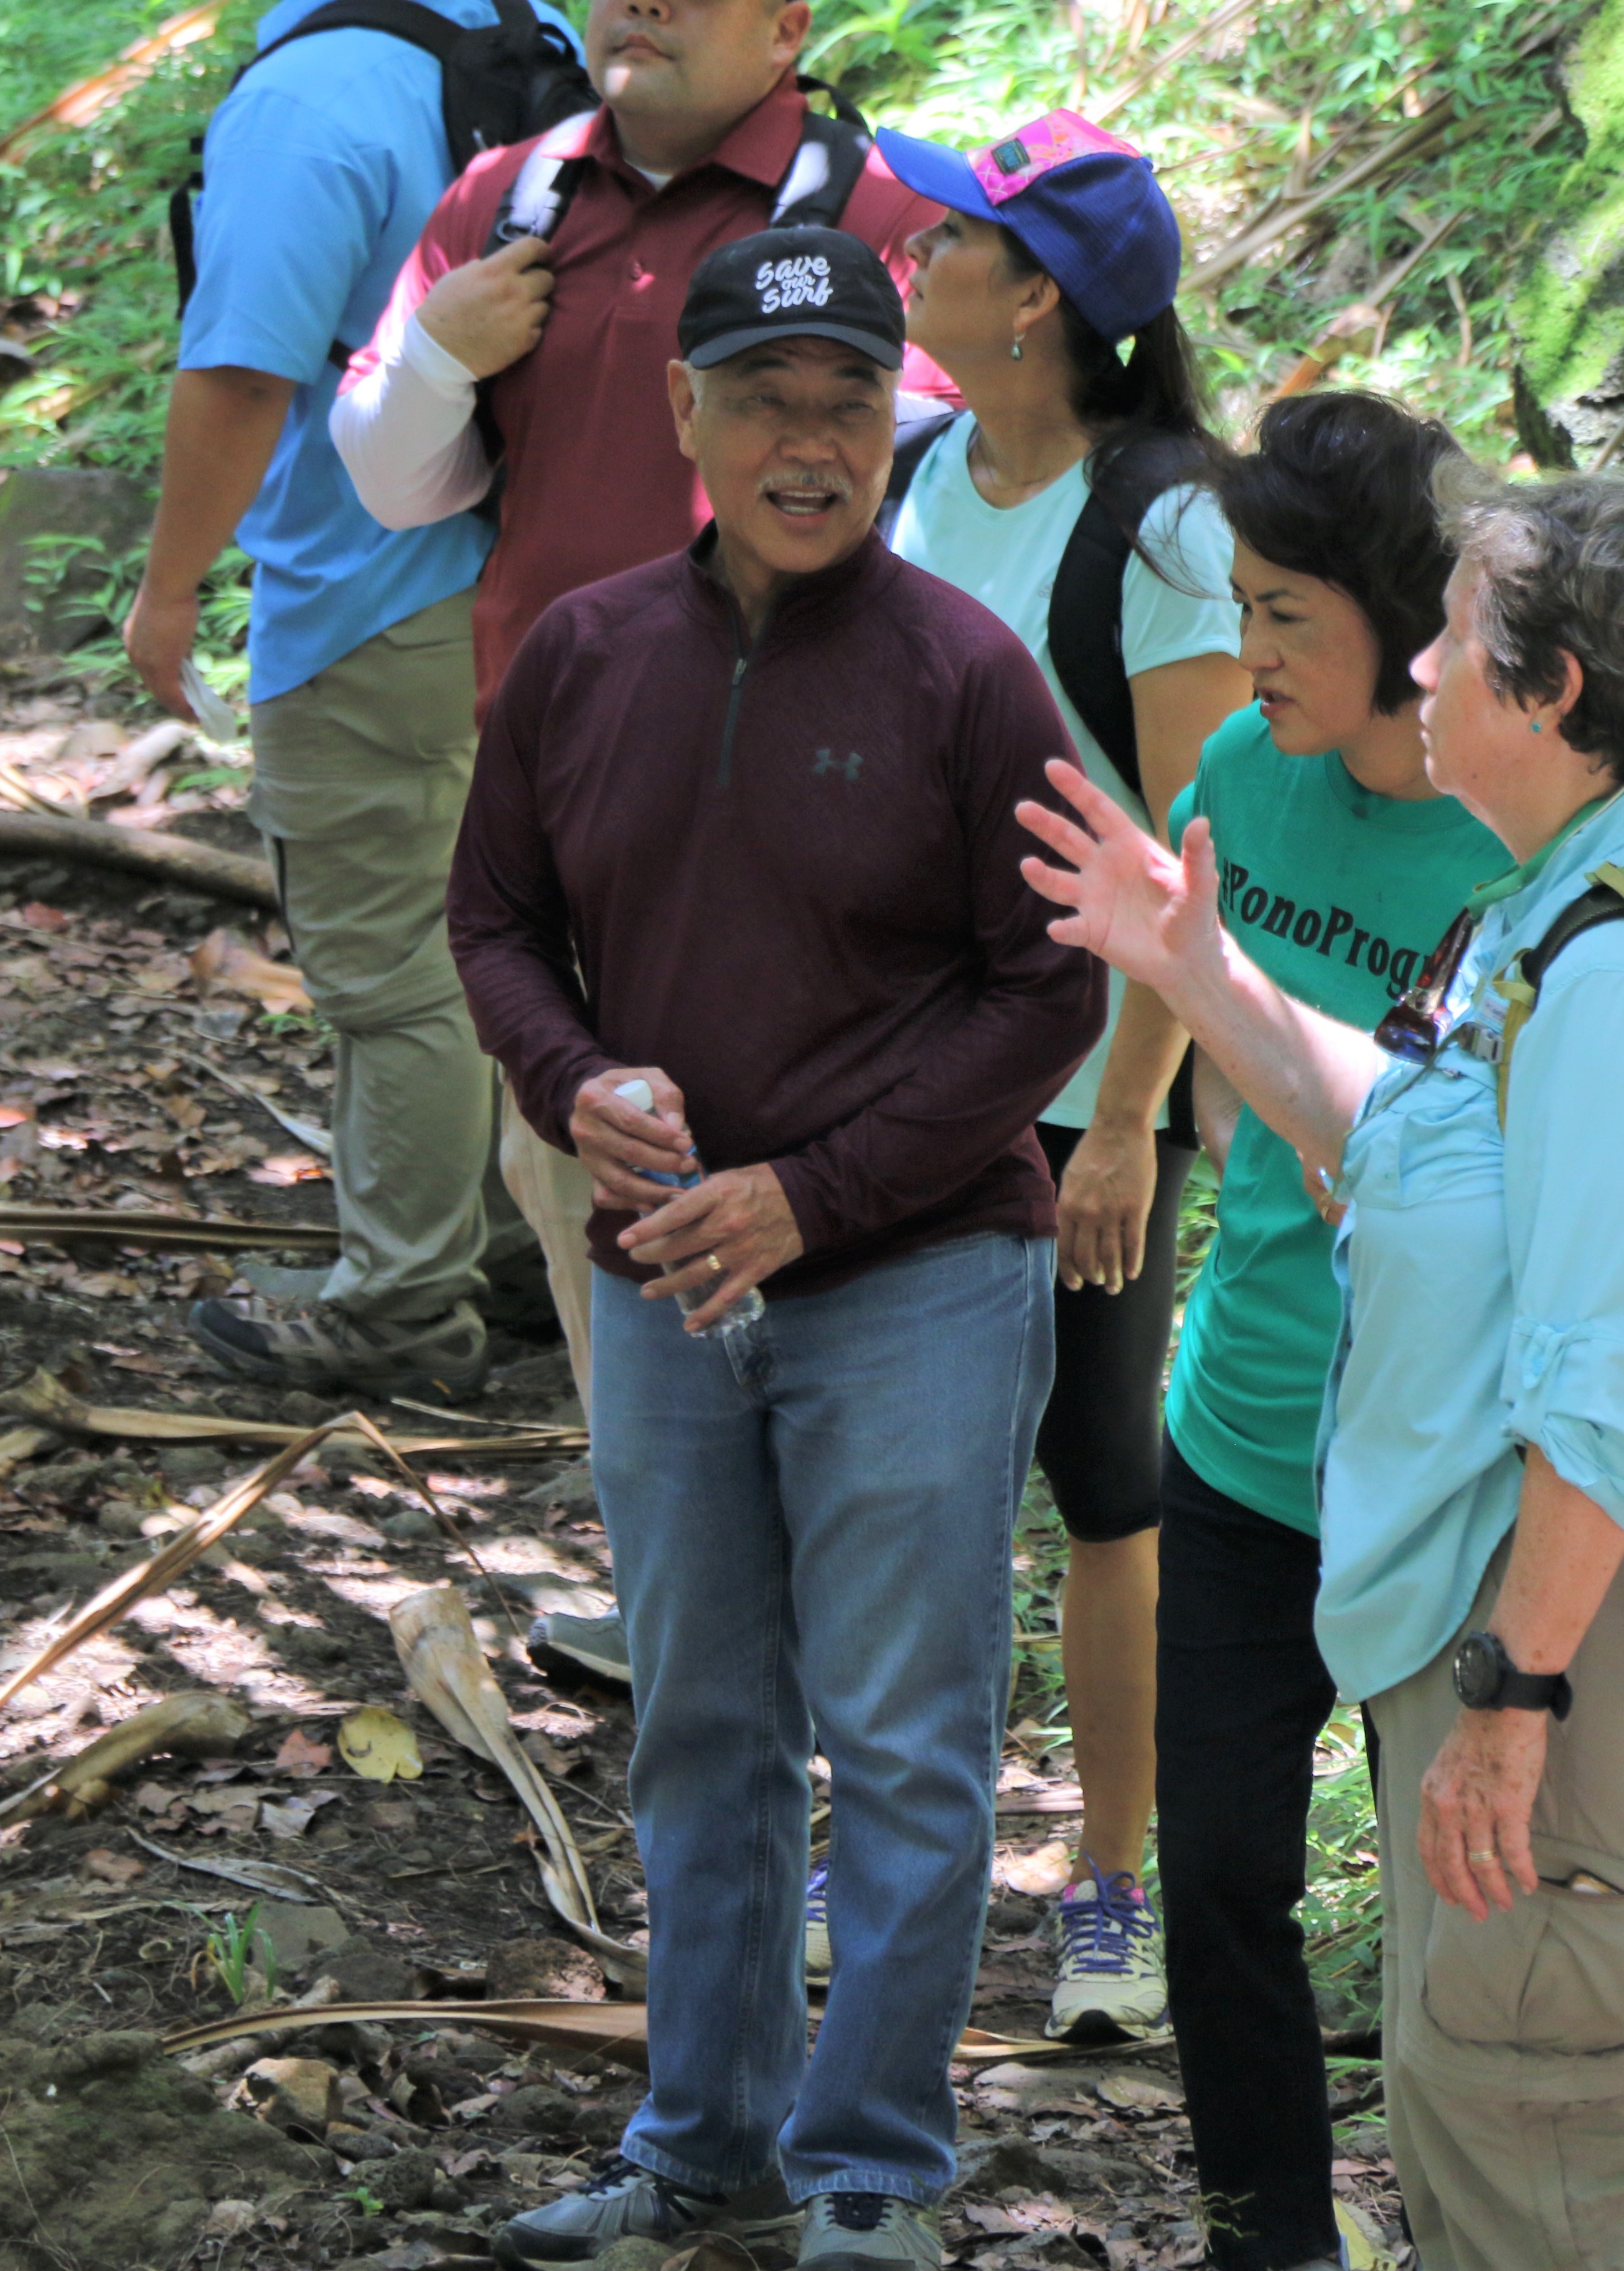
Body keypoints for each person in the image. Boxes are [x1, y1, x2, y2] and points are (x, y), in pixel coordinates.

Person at [1018, 467, 1624, 2271]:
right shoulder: (1574, 900)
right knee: (1506, 2112)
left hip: (1605, 1644)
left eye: (1458, 641)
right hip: (1560, 1625)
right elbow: (1416, 1145)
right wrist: (1204, 972)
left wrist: (1513, 1701)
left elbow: (1612, 1401)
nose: (1421, 670)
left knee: (1564, 2146)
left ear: (1548, 697)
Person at [448, 230, 1102, 2271]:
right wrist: (576, 1083)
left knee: (906, 1739)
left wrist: (809, 1191)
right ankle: (702, 2142)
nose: (808, 444)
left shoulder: (963, 674)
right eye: (766, 400)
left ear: (890, 422)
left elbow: (1047, 989)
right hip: (665, 1289)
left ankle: (876, 2171)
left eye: (846, 404)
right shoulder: (581, 652)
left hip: (911, 1284)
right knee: (706, 1720)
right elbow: (493, 924)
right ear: (685, 416)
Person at [332, 0, 949, 1419]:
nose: (643, 4)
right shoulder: (512, 195)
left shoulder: (882, 203)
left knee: (788, 1182)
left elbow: (944, 481)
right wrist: (439, 349)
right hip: (559, 790)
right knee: (573, 1175)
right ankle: (656, 1579)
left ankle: (794, 1574)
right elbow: (394, 482)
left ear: (788, 25)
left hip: (805, 799)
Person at [847, 106, 1246, 2039]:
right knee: (899, 1481)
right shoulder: (918, 476)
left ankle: (1109, 1892)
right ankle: (892, 1873)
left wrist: (1125, 1120)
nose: (917, 254)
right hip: (902, 1070)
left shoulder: (1165, 523)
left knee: (1104, 1493)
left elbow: (1196, 849)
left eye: (961, 241)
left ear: (1047, 308)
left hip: (1088, 1090)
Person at [1143, 393, 1506, 2271]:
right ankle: (1268, 2233)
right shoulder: (1237, 766)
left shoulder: (1516, 854)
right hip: (1242, 1430)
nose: (1252, 651)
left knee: (1463, 1925)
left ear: (1396, 623)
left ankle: (1462, 2227)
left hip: (1442, 1475)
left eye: (1290, 613)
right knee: (1214, 1869)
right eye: (1239, 606)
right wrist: (1128, 1123)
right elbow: (1184, 948)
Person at [128, 0, 576, 1399]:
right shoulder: (533, 32)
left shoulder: (310, 98)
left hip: (367, 591)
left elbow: (242, 374)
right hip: (540, 570)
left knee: (396, 974)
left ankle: (397, 1304)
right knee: (513, 928)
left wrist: (168, 590)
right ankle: (517, 1252)